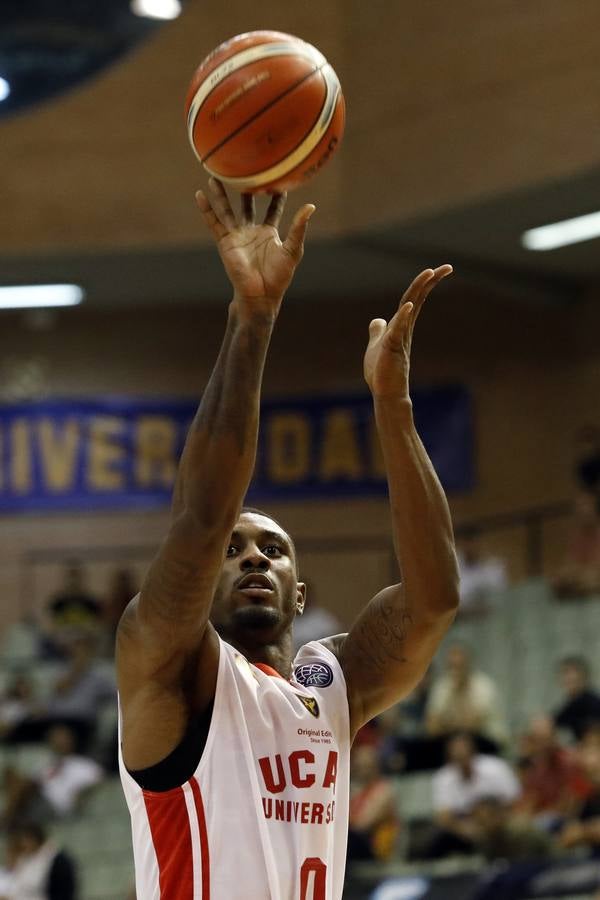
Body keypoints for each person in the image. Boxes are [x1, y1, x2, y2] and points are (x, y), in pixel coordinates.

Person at [116, 179, 459, 899]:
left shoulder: (330, 684)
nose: (252, 557)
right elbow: (202, 515)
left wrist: (393, 411)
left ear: (300, 593)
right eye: (236, 549)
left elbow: (433, 602)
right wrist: (254, 315)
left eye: (273, 550)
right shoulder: (167, 668)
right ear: (201, 576)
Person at [426, 732, 520, 858]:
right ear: (449, 757)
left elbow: (514, 801)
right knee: (439, 840)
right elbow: (444, 817)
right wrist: (464, 829)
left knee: (516, 831)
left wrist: (494, 823)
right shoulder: (443, 778)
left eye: (464, 754)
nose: (461, 759)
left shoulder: (496, 768)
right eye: (457, 756)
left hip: (500, 820)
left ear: (473, 752)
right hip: (464, 826)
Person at [3, 725, 104, 828]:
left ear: (72, 740)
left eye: (63, 738)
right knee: (11, 773)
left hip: (56, 806)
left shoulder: (85, 765)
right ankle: (10, 819)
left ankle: (6, 819)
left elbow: (99, 785)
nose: (59, 743)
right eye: (55, 739)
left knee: (23, 786)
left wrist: (80, 796)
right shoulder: (46, 764)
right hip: (35, 801)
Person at [425, 643, 508, 752]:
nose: (456, 671)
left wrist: (447, 721)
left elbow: (472, 725)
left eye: (459, 666)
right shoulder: (442, 687)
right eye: (452, 666)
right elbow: (432, 727)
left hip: (485, 740)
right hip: (452, 740)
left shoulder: (484, 685)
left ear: (468, 664)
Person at [348, 743, 401, 862]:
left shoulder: (384, 790)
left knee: (348, 837)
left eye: (367, 766)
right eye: (360, 766)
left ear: (376, 766)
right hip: (356, 843)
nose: (363, 770)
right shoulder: (353, 789)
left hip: (374, 847)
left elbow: (363, 824)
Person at [0, 821, 78, 900]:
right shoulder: (26, 858)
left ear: (33, 839)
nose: (23, 844)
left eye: (25, 840)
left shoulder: (56, 860)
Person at [455, 528, 508, 617]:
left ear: (480, 543)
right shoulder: (454, 569)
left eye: (473, 542)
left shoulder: (493, 568)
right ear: (462, 544)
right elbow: (455, 607)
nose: (471, 547)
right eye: (467, 543)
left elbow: (501, 601)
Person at [554, 656, 600, 742]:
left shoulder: (593, 703)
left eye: (573, 673)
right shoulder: (571, 704)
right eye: (565, 673)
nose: (569, 677)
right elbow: (555, 721)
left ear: (584, 676)